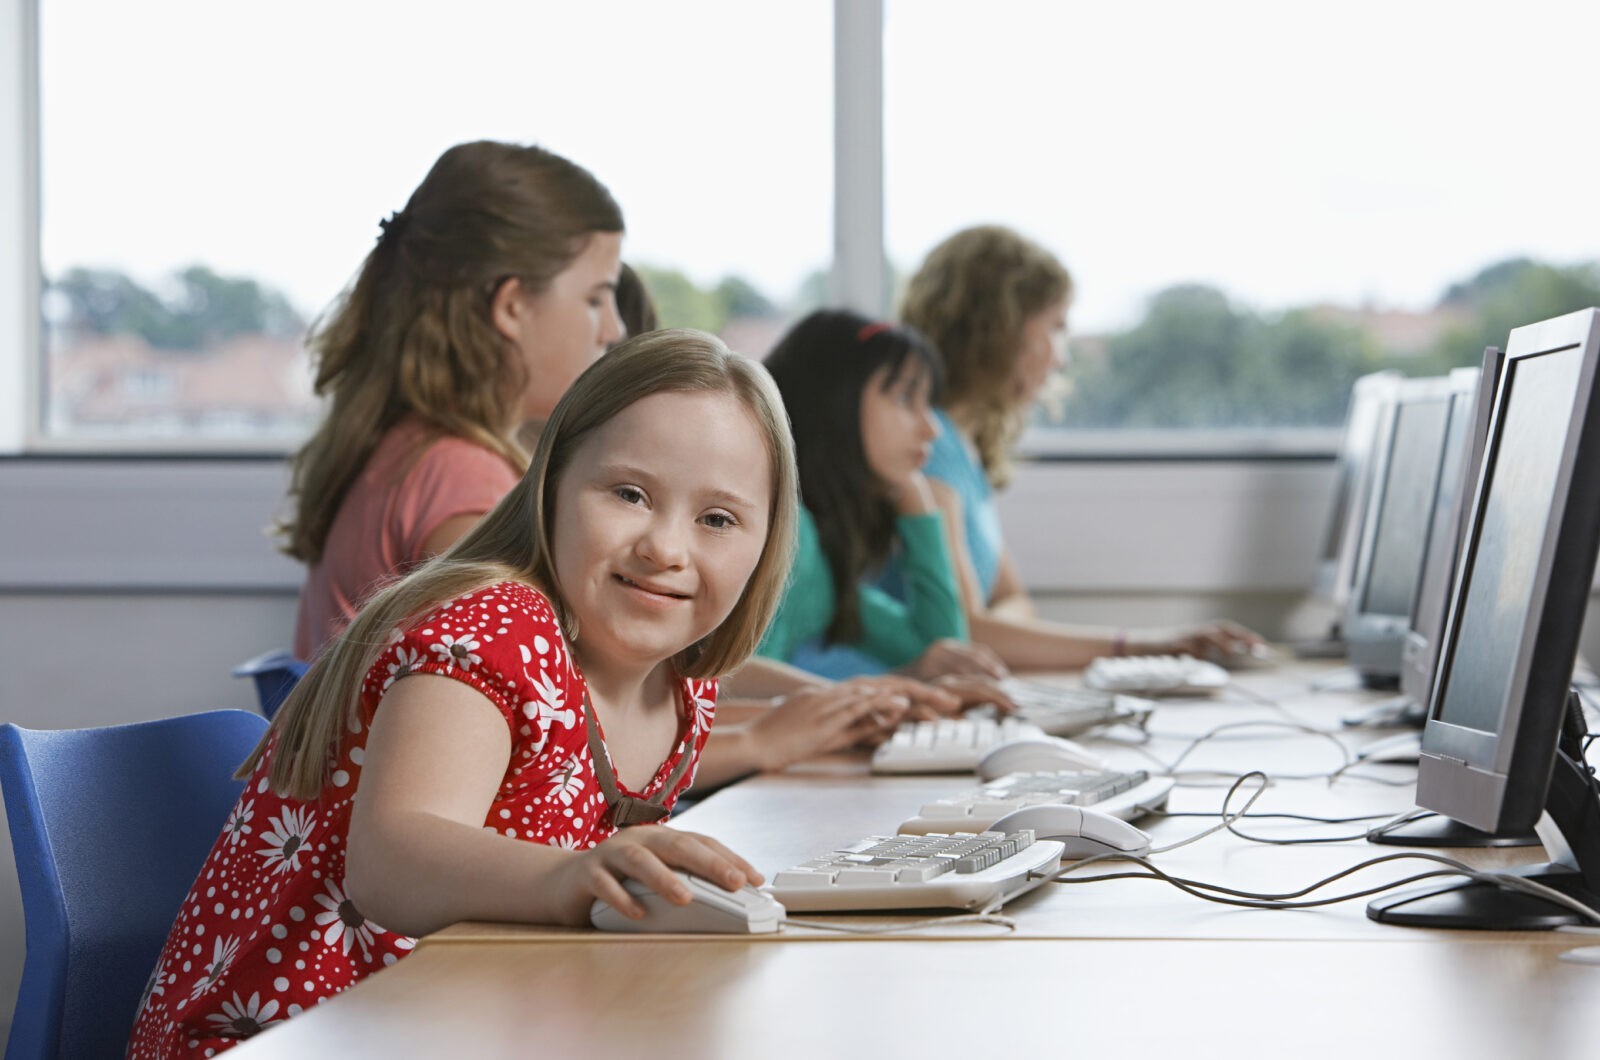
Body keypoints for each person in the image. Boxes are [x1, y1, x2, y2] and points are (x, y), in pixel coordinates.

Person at [130, 330, 842, 1056]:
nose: (665, 547)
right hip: (296, 1036)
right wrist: (571, 877)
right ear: (553, 485)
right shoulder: (495, 627)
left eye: (717, 519)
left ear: (766, 544)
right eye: (629, 494)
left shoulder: (683, 690)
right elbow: (390, 863)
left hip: (447, 1023)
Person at [284, 140, 626, 659]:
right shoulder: (467, 484)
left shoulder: (406, 449)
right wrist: (757, 740)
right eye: (595, 298)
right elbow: (542, 714)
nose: (613, 328)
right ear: (512, 306)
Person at [900, 225, 1262, 670]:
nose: (1060, 358)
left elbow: (1012, 601)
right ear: (1001, 330)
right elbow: (967, 632)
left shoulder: (964, 451)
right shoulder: (925, 448)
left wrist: (996, 626)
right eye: (1055, 328)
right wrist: (1147, 647)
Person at [756, 310, 1007, 684]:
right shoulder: (790, 532)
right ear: (835, 398)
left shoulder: (827, 555)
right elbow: (727, 690)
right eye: (906, 398)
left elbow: (940, 651)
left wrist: (919, 508)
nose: (932, 429)